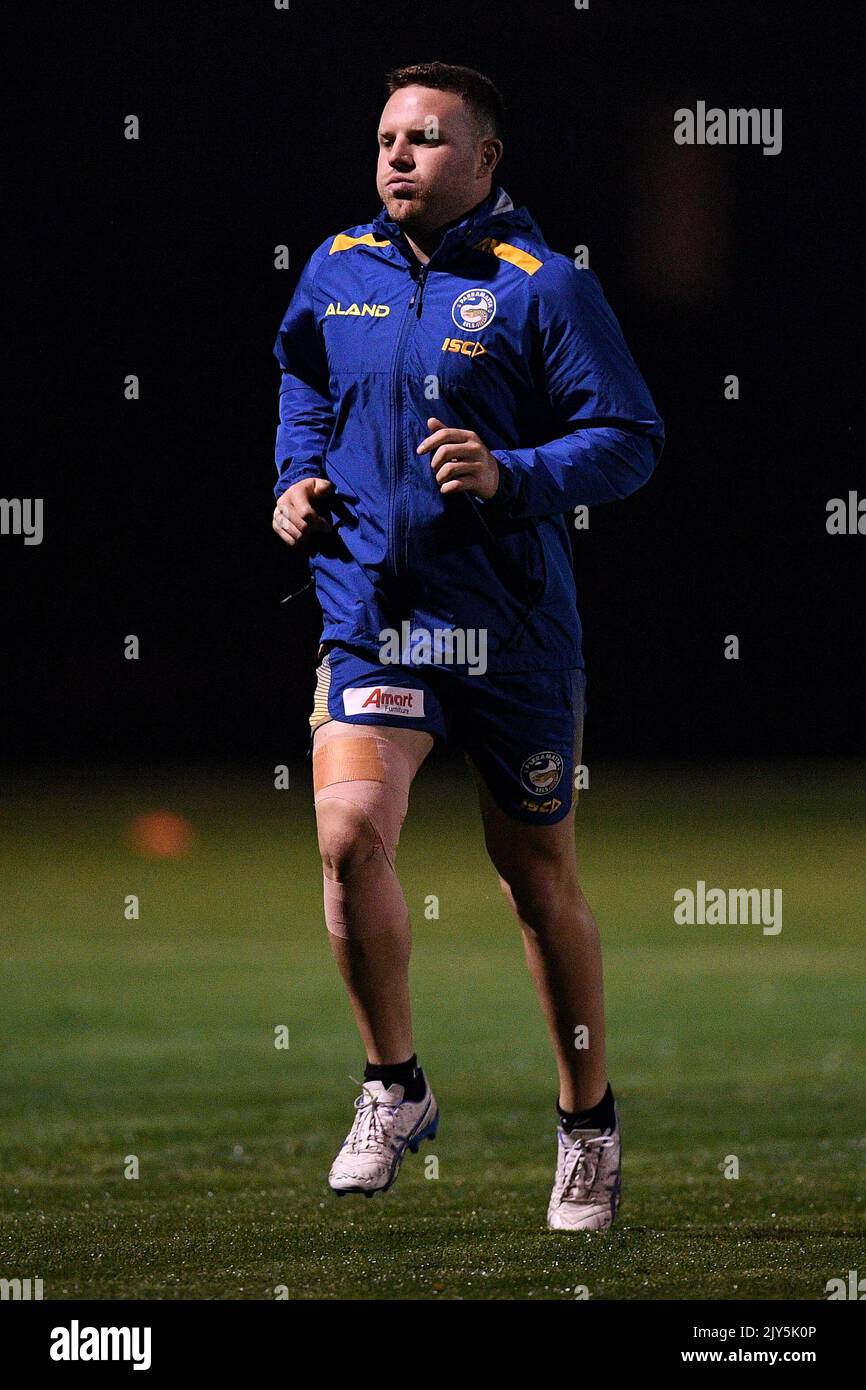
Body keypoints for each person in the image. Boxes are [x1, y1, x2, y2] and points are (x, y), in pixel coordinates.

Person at [271, 62, 664, 1230]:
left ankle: (584, 1123)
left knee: (535, 881)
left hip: (508, 629)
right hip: (371, 611)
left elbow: (629, 437)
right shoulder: (336, 268)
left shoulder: (540, 287)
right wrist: (294, 474)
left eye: (426, 138)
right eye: (386, 135)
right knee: (347, 832)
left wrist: (513, 473)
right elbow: (300, 379)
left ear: (483, 161)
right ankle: (393, 1086)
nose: (397, 154)